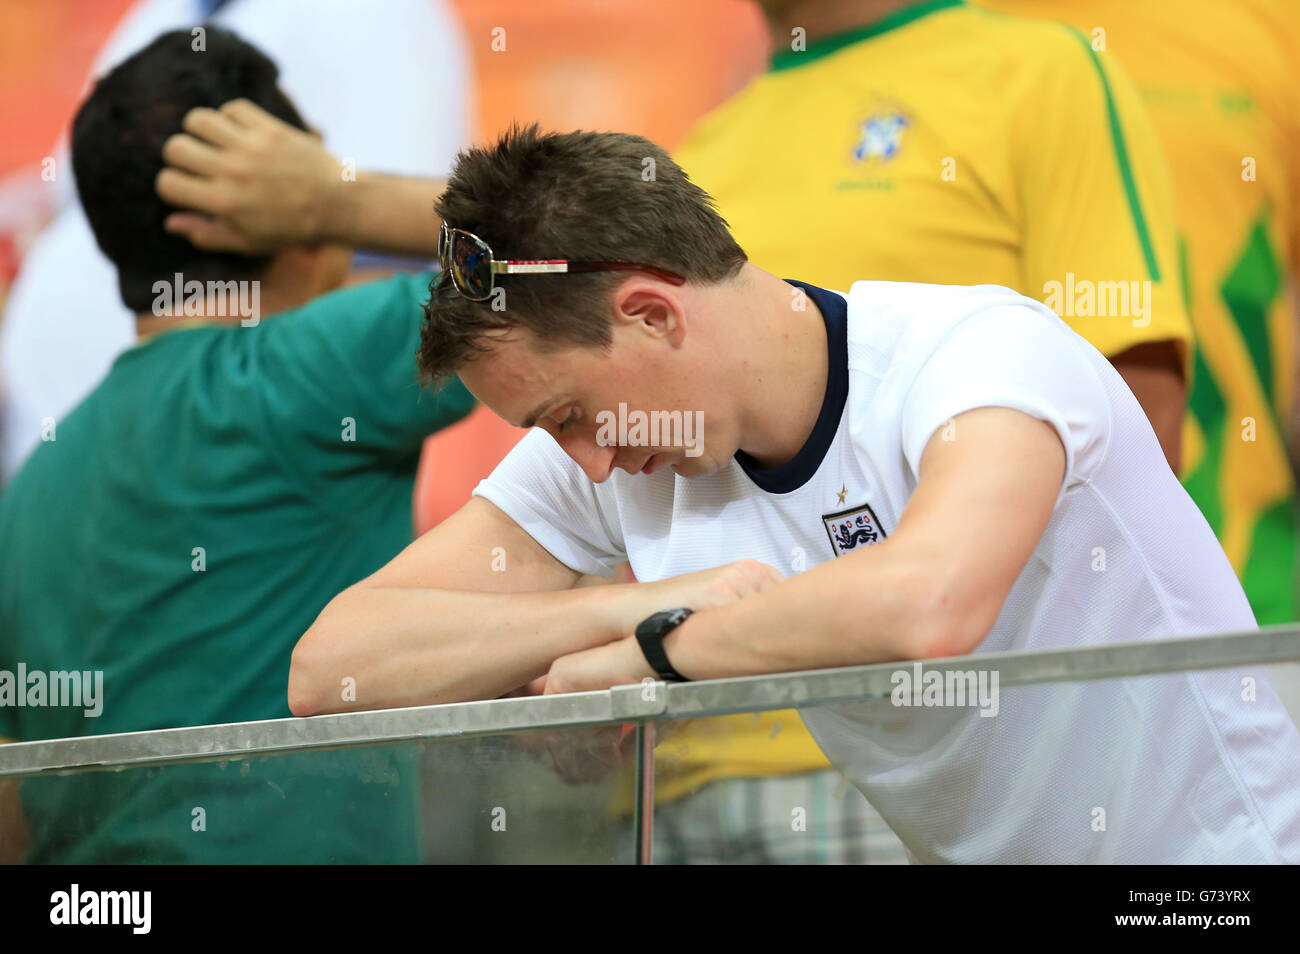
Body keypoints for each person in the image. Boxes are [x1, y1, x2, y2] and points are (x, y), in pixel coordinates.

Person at [159, 105, 1300, 862]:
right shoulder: (618, 450)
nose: (585, 462)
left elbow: (926, 603)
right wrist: (621, 605)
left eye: (566, 416)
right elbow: (331, 669)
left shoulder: (975, 354)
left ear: (650, 311)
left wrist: (654, 646)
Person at [614, 0, 1199, 861]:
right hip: (694, 760)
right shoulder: (704, 148)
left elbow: (1134, 410)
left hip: (948, 765)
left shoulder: (1037, 72)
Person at [0, 30, 475, 863]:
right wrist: (347, 199)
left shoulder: (28, 491)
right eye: (310, 171)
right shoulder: (302, 376)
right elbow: (580, 256)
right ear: (275, 208)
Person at [0, 0, 472, 484]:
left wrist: (337, 202)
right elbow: (521, 254)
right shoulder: (162, 15)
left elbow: (501, 258)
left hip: (97, 447)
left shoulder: (376, 17)